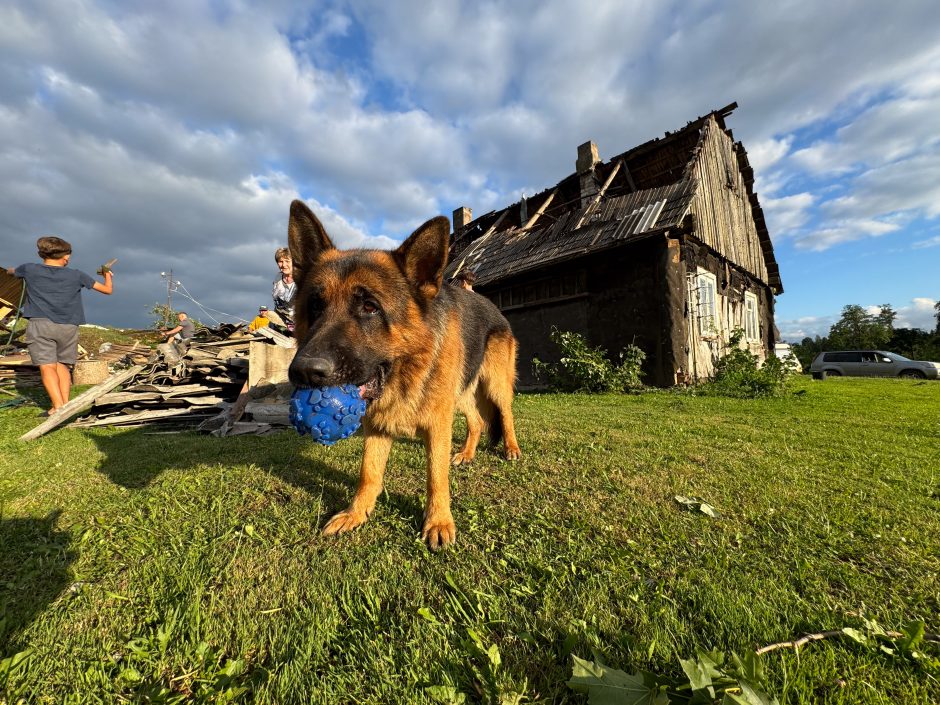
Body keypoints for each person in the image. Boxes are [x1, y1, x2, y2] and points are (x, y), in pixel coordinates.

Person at [8, 236, 113, 414]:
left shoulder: (29, 269)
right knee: (63, 365)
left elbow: (12, 271)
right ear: (65, 257)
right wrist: (107, 276)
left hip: (40, 324)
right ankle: (65, 404)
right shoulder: (77, 274)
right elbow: (107, 290)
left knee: (47, 366)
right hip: (68, 326)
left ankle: (57, 406)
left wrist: (12, 271)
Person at [271, 247, 296, 331]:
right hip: (279, 320)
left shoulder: (302, 279)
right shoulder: (278, 278)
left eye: (287, 261)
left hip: (297, 322)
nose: (284, 265)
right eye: (280, 262)